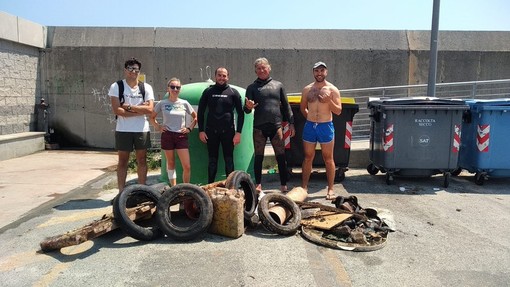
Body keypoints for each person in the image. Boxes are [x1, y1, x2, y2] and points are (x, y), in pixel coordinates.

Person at [244, 57, 295, 192]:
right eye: (258, 68)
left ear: (269, 68)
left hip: (276, 126)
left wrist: (291, 123)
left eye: (263, 67)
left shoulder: (278, 85)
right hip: (259, 127)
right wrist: (248, 107)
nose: (261, 70)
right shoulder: (252, 88)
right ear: (255, 71)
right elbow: (246, 110)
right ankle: (258, 184)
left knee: (280, 155)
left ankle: (283, 184)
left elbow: (286, 106)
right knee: (258, 156)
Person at [109, 57, 154, 193]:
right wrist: (139, 109)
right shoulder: (117, 86)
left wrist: (128, 107)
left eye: (136, 69)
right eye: (130, 69)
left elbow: (150, 109)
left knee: (142, 159)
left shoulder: (145, 87)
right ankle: (121, 192)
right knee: (123, 161)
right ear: (125, 70)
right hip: (123, 130)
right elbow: (117, 110)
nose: (133, 72)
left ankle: (142, 190)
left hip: (141, 129)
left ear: (139, 72)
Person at [300, 61, 342, 199]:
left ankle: (330, 189)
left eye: (322, 70)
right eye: (317, 71)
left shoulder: (333, 89)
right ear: (313, 72)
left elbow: (338, 111)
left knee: (328, 158)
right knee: (307, 157)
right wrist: (311, 119)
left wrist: (329, 101)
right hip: (310, 126)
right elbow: (303, 108)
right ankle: (304, 187)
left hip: (326, 126)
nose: (319, 73)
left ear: (326, 72)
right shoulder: (307, 89)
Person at [197, 67, 245, 183]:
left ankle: (231, 187)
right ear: (215, 76)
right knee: (212, 161)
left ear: (228, 77)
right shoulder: (208, 91)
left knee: (229, 160)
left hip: (228, 132)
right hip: (211, 132)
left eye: (224, 76)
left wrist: (238, 133)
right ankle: (210, 186)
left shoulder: (233, 92)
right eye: (219, 75)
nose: (222, 78)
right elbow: (201, 112)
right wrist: (201, 131)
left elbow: (241, 113)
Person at [149, 78, 197, 186]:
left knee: (187, 166)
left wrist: (189, 128)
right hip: (168, 135)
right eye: (172, 87)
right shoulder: (162, 103)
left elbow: (195, 117)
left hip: (181, 135)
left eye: (178, 87)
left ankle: (186, 188)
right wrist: (158, 127)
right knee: (170, 163)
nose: (175, 89)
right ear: (168, 89)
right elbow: (152, 117)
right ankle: (173, 188)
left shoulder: (184, 103)